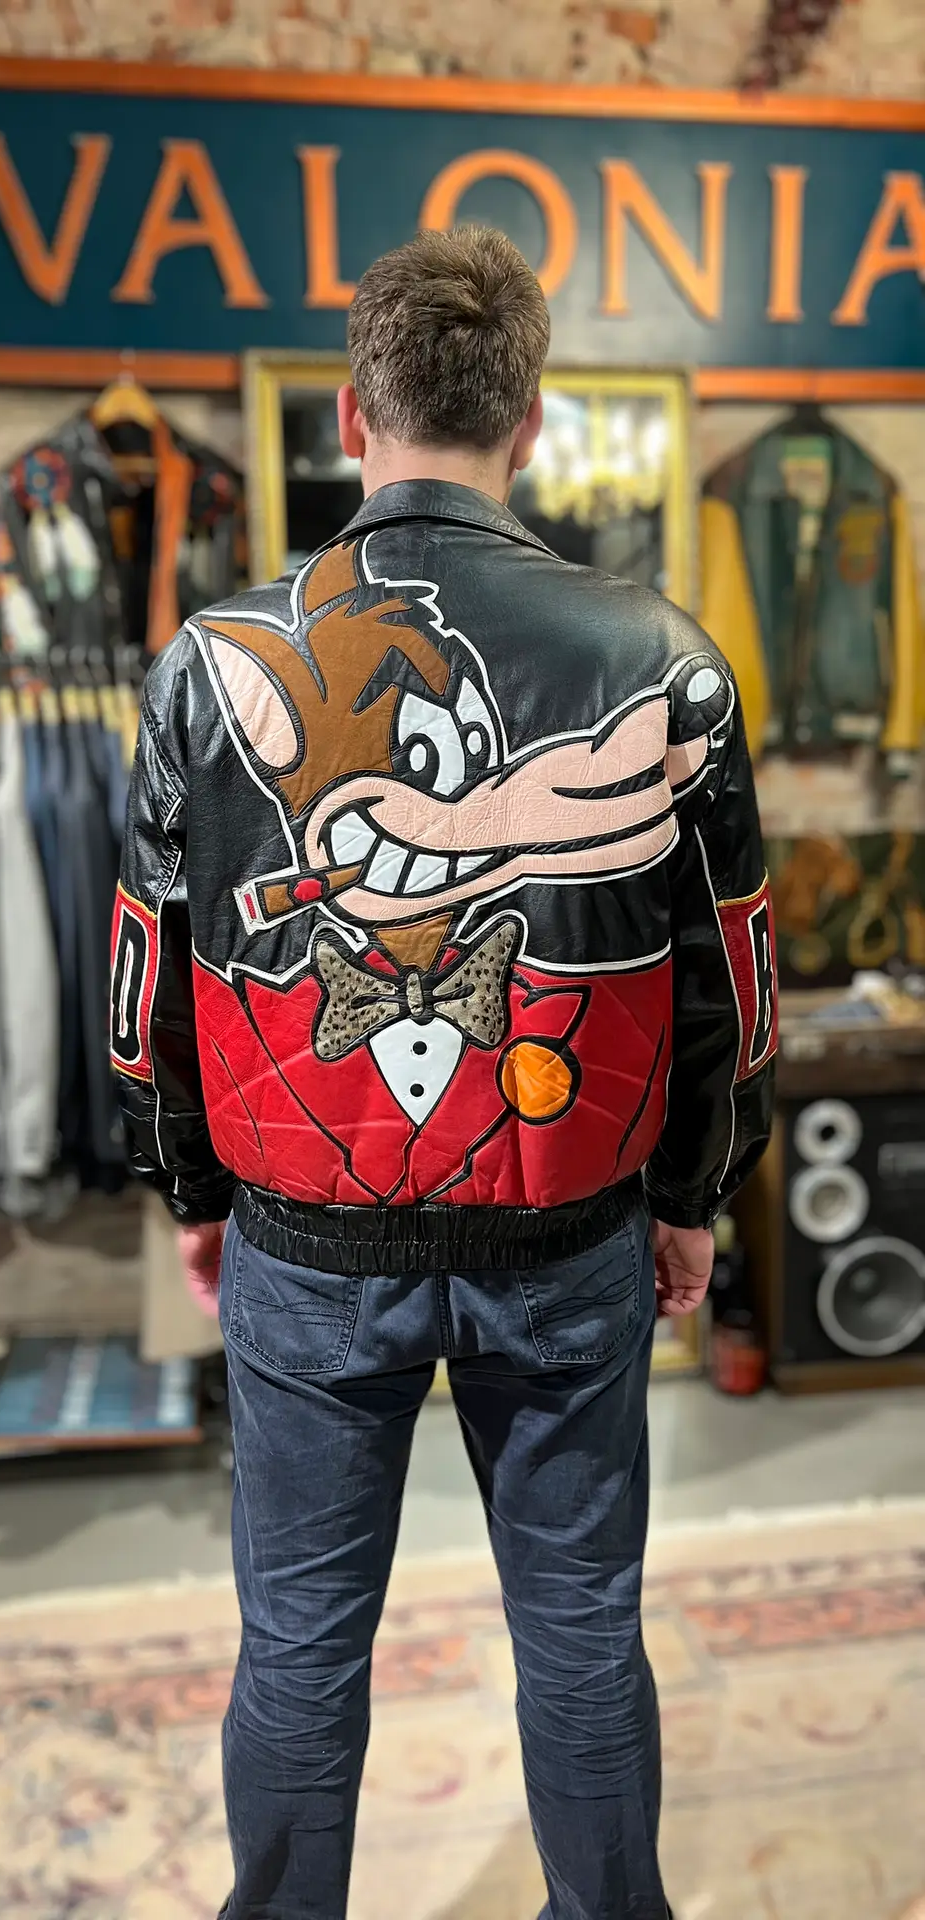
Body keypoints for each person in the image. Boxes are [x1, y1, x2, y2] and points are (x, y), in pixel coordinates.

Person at [112, 226, 776, 1920]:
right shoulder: (663, 654)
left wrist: (192, 1189)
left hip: (305, 1237)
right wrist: (693, 1194)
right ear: (530, 423)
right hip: (570, 1232)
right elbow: (731, 981)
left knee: (297, 1645)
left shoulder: (208, 663)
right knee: (580, 1631)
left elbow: (148, 980)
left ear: (352, 415)